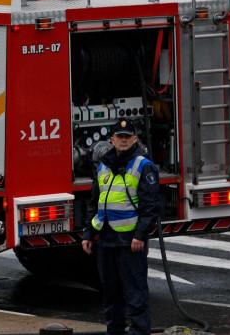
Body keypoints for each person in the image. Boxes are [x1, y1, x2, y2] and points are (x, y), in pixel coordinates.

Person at [82, 118, 160, 335]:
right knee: (111, 293)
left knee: (135, 293)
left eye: (127, 137)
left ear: (134, 139)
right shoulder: (103, 167)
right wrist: (89, 233)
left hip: (130, 242)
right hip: (105, 239)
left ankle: (139, 332)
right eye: (119, 137)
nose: (123, 141)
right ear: (112, 140)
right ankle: (114, 331)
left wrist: (140, 235)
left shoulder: (143, 166)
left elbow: (150, 206)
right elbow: (94, 203)